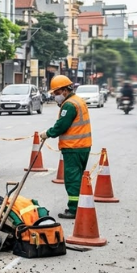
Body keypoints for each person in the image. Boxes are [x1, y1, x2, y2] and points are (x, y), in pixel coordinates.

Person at [39, 75, 91, 220]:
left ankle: (74, 209)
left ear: (65, 90)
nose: (55, 96)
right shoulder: (78, 100)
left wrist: (47, 133)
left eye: (56, 93)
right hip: (83, 146)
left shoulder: (69, 105)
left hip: (74, 148)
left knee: (72, 180)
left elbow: (61, 125)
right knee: (78, 178)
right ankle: (81, 205)